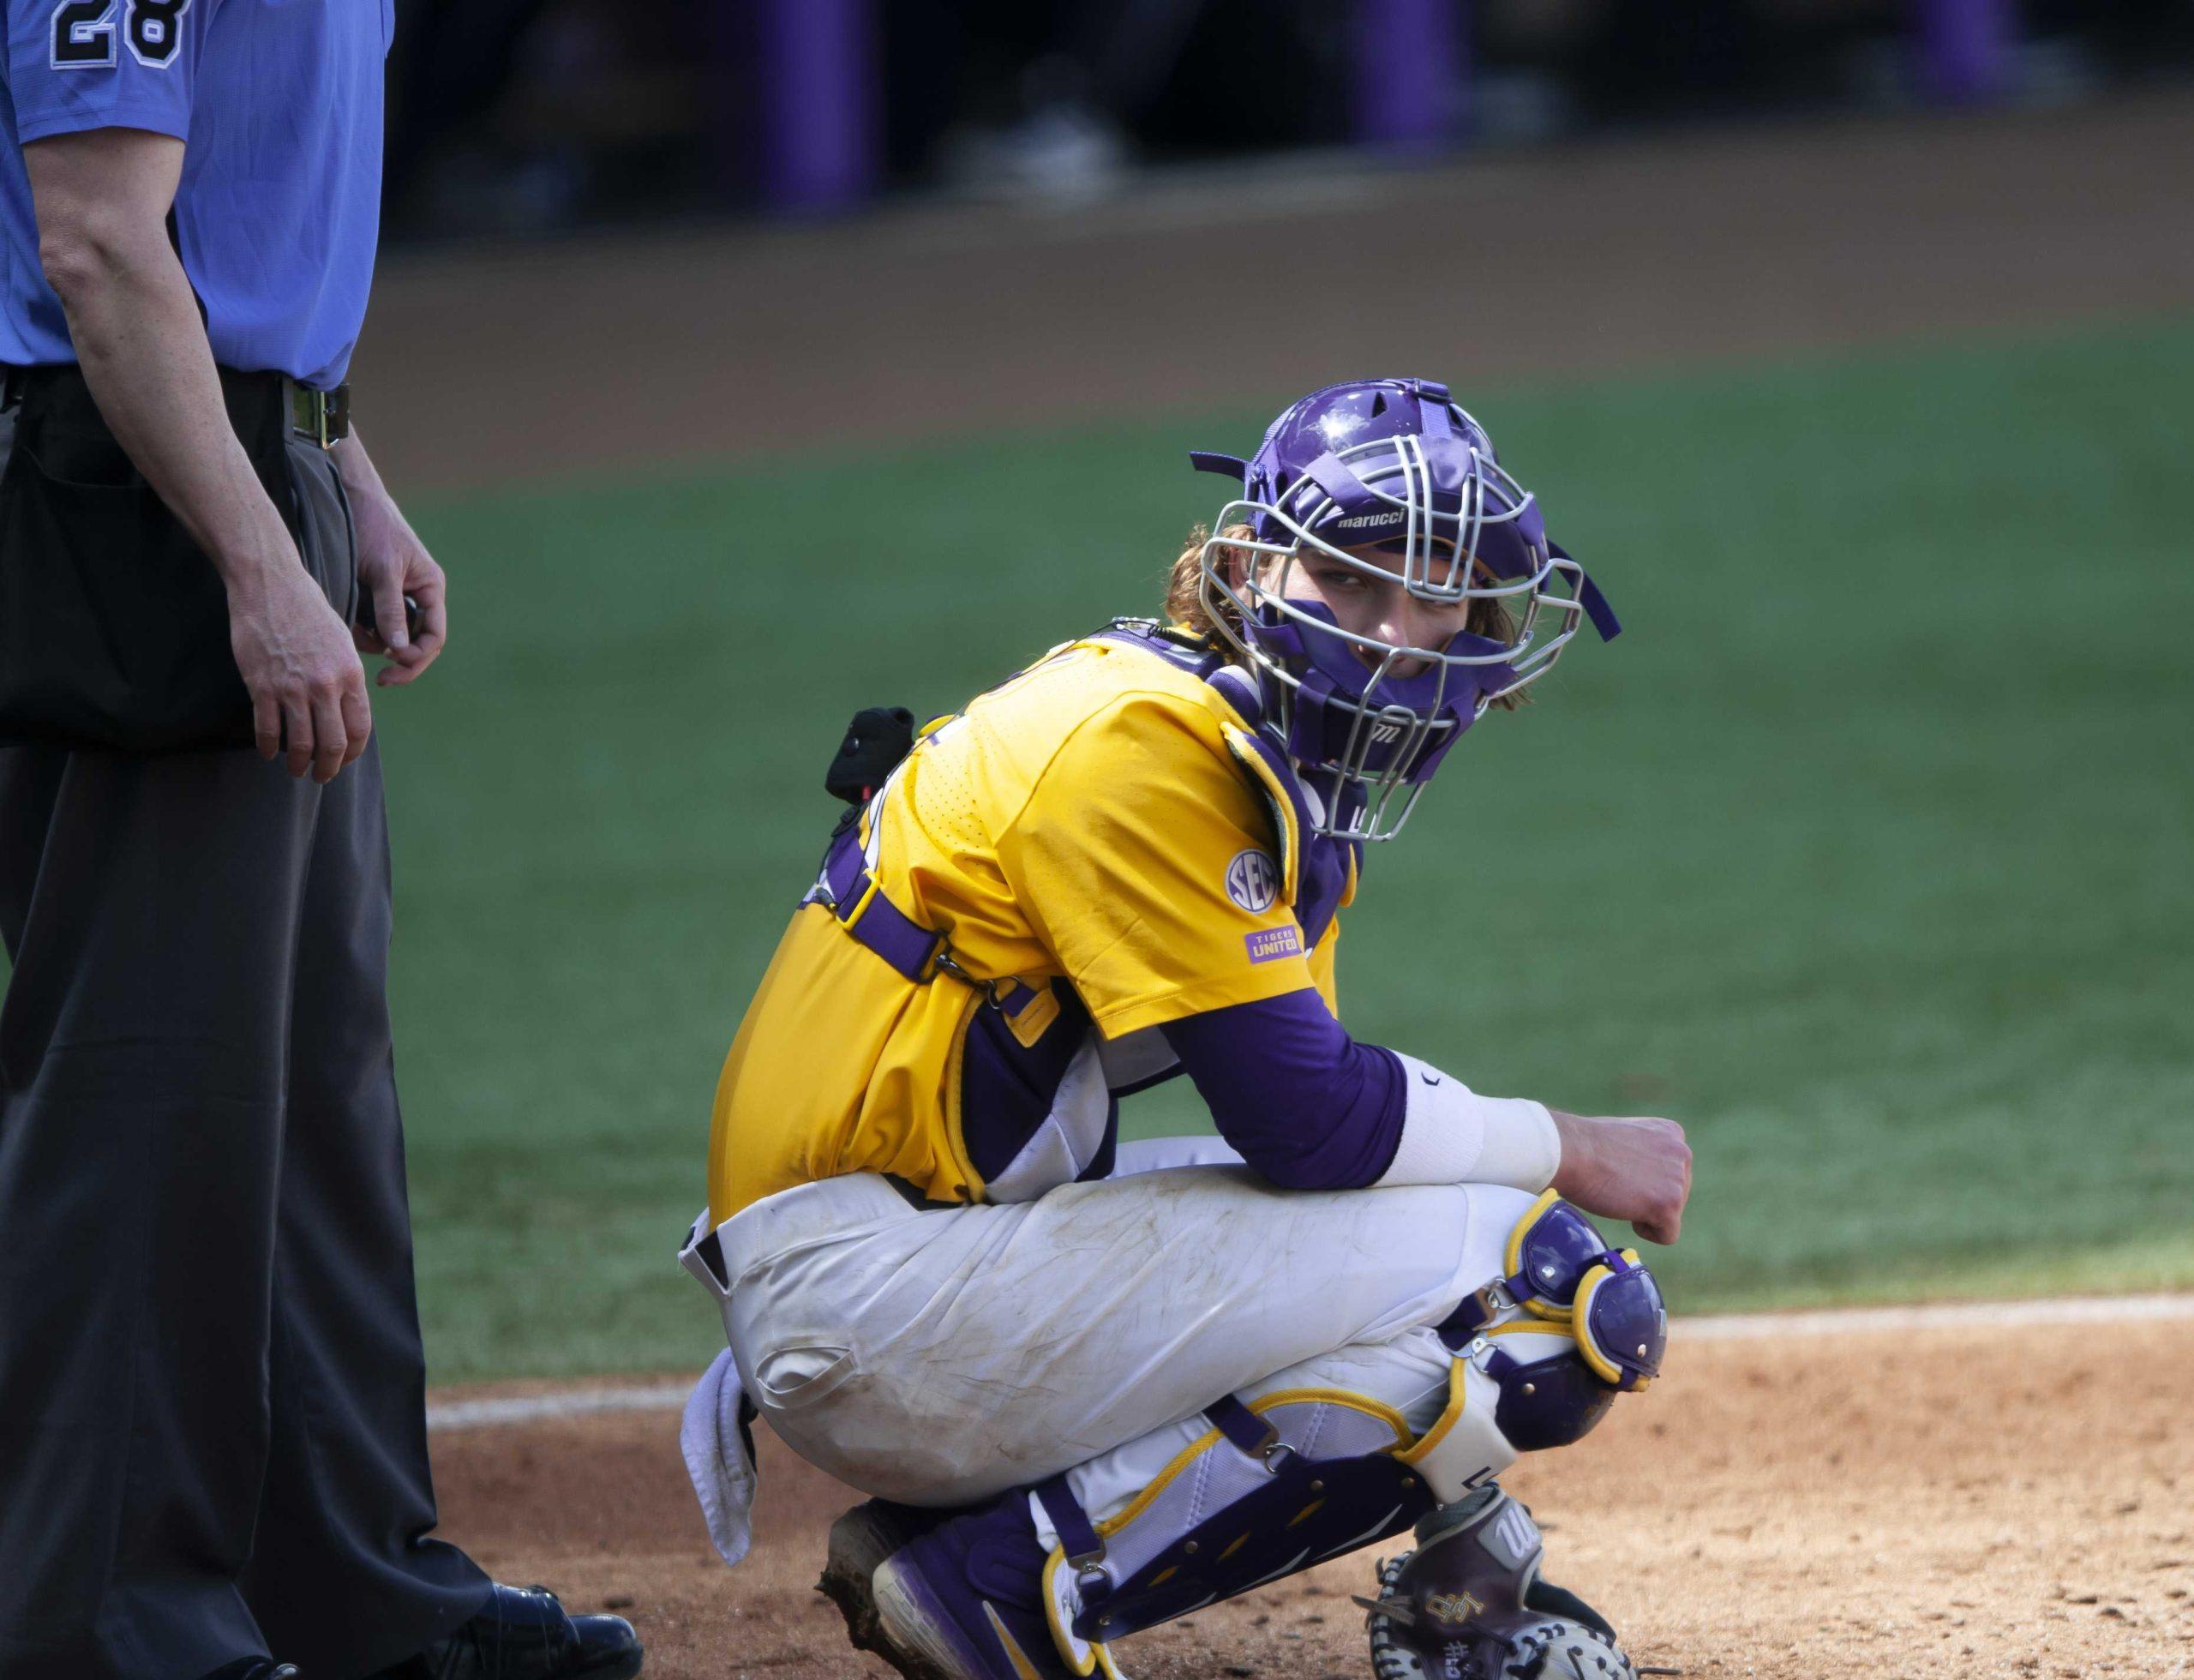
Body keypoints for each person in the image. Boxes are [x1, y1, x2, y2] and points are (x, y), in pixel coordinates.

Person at [678, 377, 1693, 1679]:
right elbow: (1308, 1124)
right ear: (1243, 567)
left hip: (910, 1259)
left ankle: (1451, 1577)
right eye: (1350, 577)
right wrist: (1567, 1141)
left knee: (1455, 1249)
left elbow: (1311, 1153)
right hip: (872, 1296)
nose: (1395, 633)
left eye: (1435, 592)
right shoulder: (1141, 746)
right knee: (1546, 1297)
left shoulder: (1230, 745)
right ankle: (995, 1582)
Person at [0, 8, 641, 1679]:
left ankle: (344, 1585)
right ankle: (110, 1625)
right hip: (119, 489)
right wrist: (251, 557)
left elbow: (244, 215)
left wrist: (332, 464)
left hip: (239, 447)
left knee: (303, 1088)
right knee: (155, 1085)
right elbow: (94, 236)